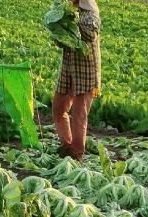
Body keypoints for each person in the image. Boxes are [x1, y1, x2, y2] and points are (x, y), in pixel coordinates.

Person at [52, 0, 102, 161]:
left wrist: (72, 22)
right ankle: (66, 145)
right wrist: (58, 31)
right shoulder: (69, 11)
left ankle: (77, 153)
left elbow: (90, 34)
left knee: (79, 113)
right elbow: (62, 43)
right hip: (68, 67)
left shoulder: (90, 14)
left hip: (86, 69)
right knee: (59, 107)